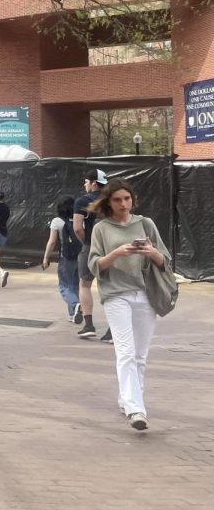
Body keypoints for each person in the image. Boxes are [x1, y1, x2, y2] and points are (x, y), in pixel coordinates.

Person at [87, 178, 171, 432]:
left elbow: (165, 260)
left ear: (133, 199)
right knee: (125, 351)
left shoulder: (145, 223)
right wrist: (117, 253)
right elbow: (94, 265)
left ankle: (128, 400)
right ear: (108, 202)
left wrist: (151, 252)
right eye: (117, 199)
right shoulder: (101, 228)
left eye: (127, 198)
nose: (123, 204)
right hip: (116, 293)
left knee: (140, 355)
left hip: (145, 293)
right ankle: (137, 409)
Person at [74, 169, 108, 340]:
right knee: (110, 286)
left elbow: (78, 227)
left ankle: (88, 325)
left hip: (91, 246)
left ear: (94, 183)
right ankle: (112, 330)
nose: (85, 184)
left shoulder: (83, 201)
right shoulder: (112, 199)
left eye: (86, 181)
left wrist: (86, 243)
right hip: (112, 248)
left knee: (85, 285)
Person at [42, 196, 82, 323]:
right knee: (75, 285)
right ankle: (73, 314)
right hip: (81, 256)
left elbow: (52, 241)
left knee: (64, 285)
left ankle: (75, 305)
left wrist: (46, 257)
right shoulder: (80, 219)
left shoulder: (57, 221)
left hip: (66, 257)